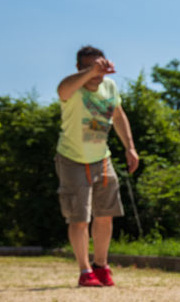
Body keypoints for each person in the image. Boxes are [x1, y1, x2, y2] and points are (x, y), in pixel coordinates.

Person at [55, 46, 139, 287]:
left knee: (105, 215)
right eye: (90, 68)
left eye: (100, 68)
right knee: (79, 218)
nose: (97, 74)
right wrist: (90, 71)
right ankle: (85, 271)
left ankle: (101, 266)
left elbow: (118, 115)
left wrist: (130, 147)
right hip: (72, 158)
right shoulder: (72, 88)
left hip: (102, 158)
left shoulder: (110, 87)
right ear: (80, 69)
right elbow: (62, 89)